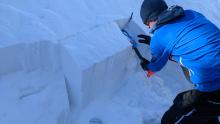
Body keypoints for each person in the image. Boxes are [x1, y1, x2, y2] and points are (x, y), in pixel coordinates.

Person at [138, 0, 220, 123]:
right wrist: (157, 44)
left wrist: (147, 66)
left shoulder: (159, 37)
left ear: (151, 19)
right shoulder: (192, 14)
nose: (148, 27)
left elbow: (154, 67)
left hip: (214, 88)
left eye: (147, 23)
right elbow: (195, 43)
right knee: (204, 113)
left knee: (172, 119)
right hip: (215, 84)